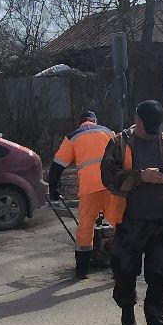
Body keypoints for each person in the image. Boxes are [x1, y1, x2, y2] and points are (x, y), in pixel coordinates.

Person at [99, 99, 163, 325]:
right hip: (130, 223)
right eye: (147, 125)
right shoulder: (120, 143)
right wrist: (140, 176)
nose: (152, 131)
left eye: (156, 127)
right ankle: (127, 306)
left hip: (162, 223)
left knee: (160, 276)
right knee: (125, 272)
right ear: (137, 119)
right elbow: (108, 177)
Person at [48, 110, 119, 278]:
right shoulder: (109, 132)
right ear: (95, 120)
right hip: (111, 184)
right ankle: (120, 267)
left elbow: (57, 166)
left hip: (89, 188)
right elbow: (122, 157)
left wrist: (54, 189)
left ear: (80, 122)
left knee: (85, 228)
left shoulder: (73, 136)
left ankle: (82, 271)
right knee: (119, 224)